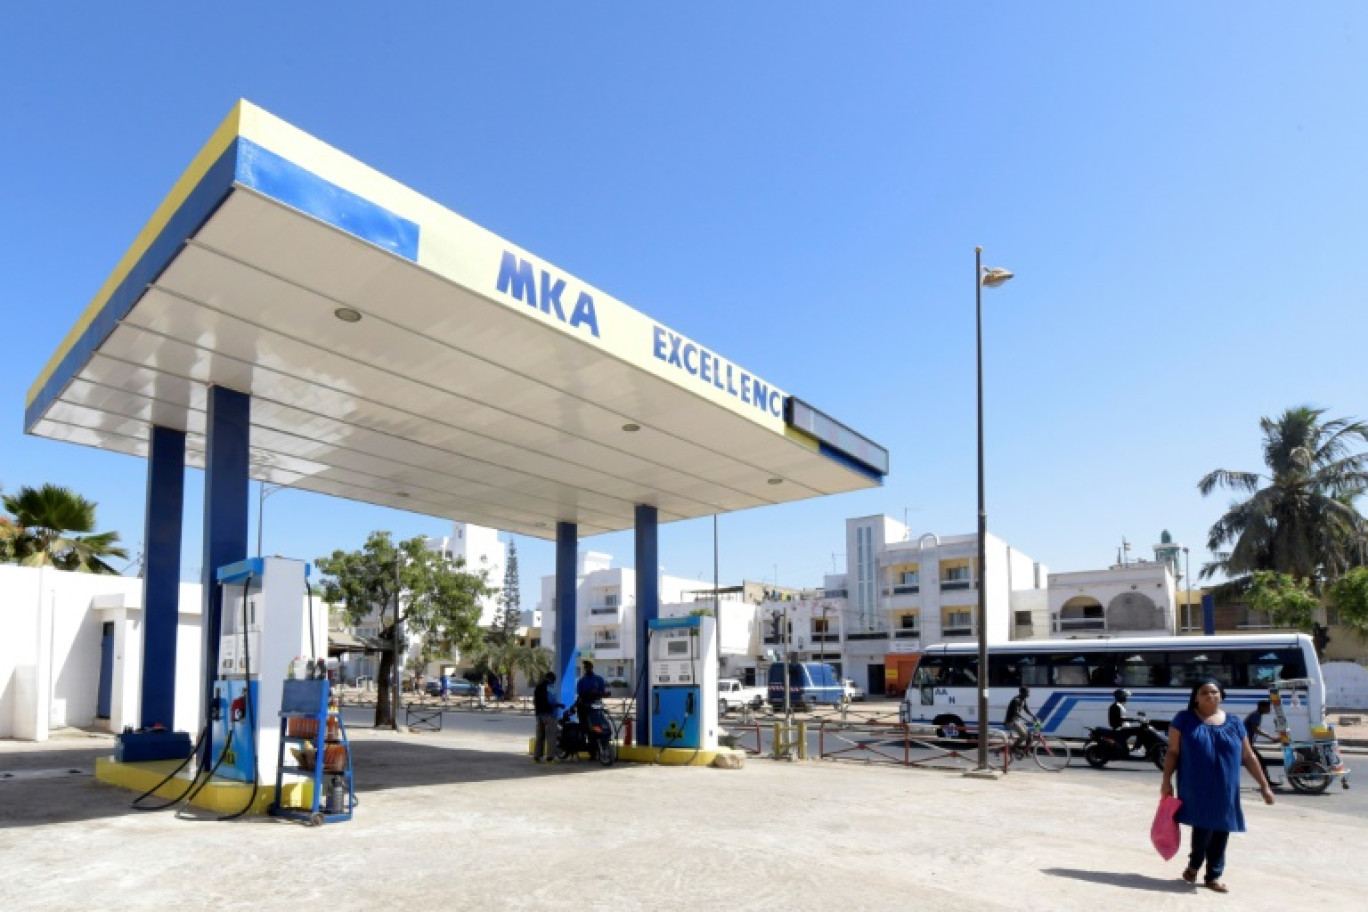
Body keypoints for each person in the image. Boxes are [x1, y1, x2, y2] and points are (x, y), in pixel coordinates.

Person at [1161, 679, 1275, 894]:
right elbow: (1173, 752)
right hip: (1195, 784)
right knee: (1203, 825)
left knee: (1222, 828)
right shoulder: (1183, 719)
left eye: (1214, 692)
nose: (1209, 696)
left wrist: (1264, 786)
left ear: (1221, 696)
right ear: (1196, 696)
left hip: (1226, 787)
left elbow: (1248, 756)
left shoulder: (1234, 722)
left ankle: (1213, 875)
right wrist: (1166, 780)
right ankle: (1195, 863)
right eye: (1204, 692)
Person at [1243, 699, 1282, 786]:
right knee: (1260, 761)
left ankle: (1266, 782)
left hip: (1246, 742)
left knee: (1259, 761)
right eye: (1268, 707)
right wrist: (1271, 737)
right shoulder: (1256, 715)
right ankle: (1266, 783)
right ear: (1262, 707)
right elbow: (1255, 729)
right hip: (1245, 743)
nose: (1269, 710)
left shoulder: (1257, 715)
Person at [532, 671, 562, 763]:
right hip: (550, 714)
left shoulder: (538, 687)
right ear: (552, 679)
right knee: (551, 736)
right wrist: (558, 705)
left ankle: (537, 757)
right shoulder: (550, 687)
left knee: (540, 736)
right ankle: (550, 758)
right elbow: (552, 700)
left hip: (539, 715)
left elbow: (535, 701)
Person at [1004, 686, 1038, 753]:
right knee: (1023, 736)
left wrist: (1033, 716)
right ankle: (1012, 749)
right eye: (1027, 692)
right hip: (1011, 721)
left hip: (1017, 721)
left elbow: (1026, 709)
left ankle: (1026, 751)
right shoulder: (1016, 700)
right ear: (1022, 693)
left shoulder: (1023, 699)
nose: (1029, 694)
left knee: (1030, 736)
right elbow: (1016, 713)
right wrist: (1026, 720)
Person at [576, 659, 608, 730]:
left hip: (596, 705)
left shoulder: (599, 679)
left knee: (598, 724)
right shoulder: (581, 681)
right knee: (584, 726)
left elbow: (602, 692)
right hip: (584, 706)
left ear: (592, 667)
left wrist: (597, 693)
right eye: (586, 666)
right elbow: (580, 694)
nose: (587, 668)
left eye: (588, 666)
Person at [1108, 688, 1143, 752]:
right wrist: (1135, 720)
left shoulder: (1120, 705)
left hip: (1124, 728)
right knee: (1141, 731)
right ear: (1120, 697)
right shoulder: (1115, 706)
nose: (1126, 698)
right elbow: (1120, 719)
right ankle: (1136, 748)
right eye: (1125, 697)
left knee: (1142, 729)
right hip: (1120, 728)